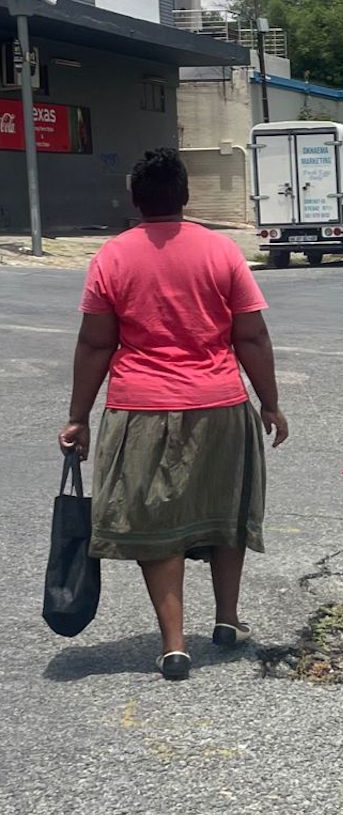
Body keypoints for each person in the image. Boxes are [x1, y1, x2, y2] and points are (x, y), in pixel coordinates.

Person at [58, 148, 288, 681]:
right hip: (221, 404)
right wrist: (270, 403)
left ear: (136, 200)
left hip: (140, 408)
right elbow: (250, 334)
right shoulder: (221, 252)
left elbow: (95, 345)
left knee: (159, 525)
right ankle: (227, 620)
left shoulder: (111, 257)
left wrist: (78, 417)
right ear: (185, 196)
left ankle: (174, 644)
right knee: (226, 511)